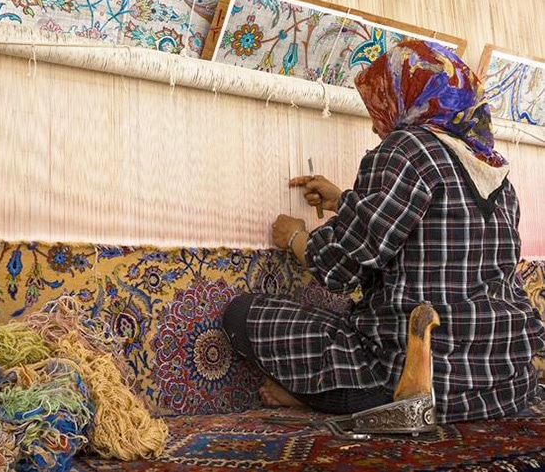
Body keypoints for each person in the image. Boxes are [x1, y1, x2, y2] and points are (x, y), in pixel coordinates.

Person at [222, 40, 545, 423]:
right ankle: (324, 397)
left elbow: (338, 270)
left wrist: (295, 237)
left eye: (380, 98)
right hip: (505, 385)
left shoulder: (406, 148)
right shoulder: (494, 171)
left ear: (408, 93)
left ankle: (340, 401)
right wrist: (346, 200)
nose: (377, 119)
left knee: (240, 315)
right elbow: (432, 225)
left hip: (416, 382)